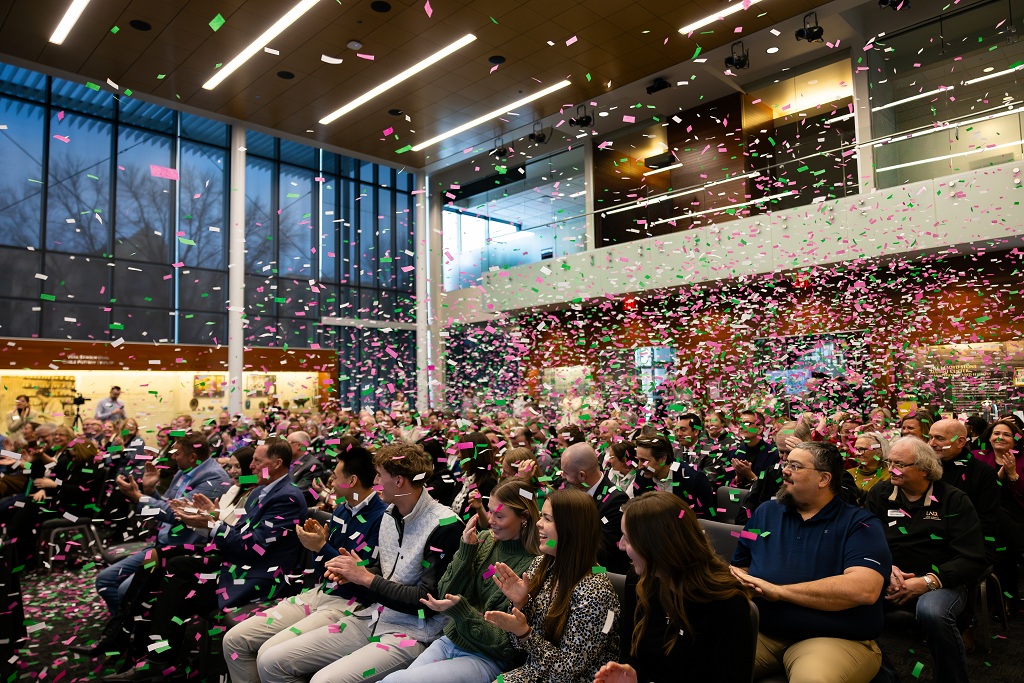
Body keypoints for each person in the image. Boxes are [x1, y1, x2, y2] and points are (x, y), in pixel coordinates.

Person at [101, 437, 308, 681]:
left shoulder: (287, 497)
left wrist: (212, 525)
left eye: (256, 460)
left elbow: (255, 548)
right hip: (235, 562)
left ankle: (153, 655)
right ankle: (147, 651)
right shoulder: (260, 491)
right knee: (169, 565)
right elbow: (240, 532)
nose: (249, 466)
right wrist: (214, 517)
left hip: (255, 576)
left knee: (173, 579)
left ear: (276, 463)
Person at [256, 441, 463, 683]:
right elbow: (388, 573)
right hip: (374, 617)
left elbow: (428, 602)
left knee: (324, 681)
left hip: (413, 633)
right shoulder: (390, 515)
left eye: (380, 476)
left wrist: (365, 577)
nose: (374, 483)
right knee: (271, 661)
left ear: (398, 481)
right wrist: (354, 571)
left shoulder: (445, 526)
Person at [222, 442, 387, 682]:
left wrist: (321, 547)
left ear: (351, 481)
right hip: (319, 591)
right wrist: (318, 548)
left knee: (269, 656)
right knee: (234, 640)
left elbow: (359, 576)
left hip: (348, 603)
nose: (330, 481)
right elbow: (324, 568)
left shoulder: (381, 518)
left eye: (335, 475)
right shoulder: (341, 511)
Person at [731, 441, 892, 682]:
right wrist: (739, 582)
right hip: (763, 630)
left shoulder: (860, 524)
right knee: (694, 663)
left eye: (795, 466)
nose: (784, 470)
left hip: (832, 638)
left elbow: (864, 589)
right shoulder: (765, 512)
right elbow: (739, 566)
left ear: (824, 479)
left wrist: (779, 592)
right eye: (786, 464)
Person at [380, 479, 540, 683]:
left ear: (524, 517)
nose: (490, 520)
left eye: (499, 515)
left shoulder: (534, 566)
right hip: (452, 640)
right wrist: (465, 550)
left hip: (488, 658)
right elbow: (445, 591)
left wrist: (462, 610)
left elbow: (506, 646)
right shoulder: (484, 540)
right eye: (489, 511)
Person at [594, 491, 754, 683]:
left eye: (628, 539)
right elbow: (631, 653)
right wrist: (632, 675)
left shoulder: (727, 604)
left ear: (656, 547)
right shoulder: (638, 581)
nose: (620, 545)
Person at [865, 437, 987, 683]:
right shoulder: (881, 492)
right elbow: (864, 540)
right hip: (888, 576)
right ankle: (886, 676)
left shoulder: (954, 500)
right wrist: (885, 568)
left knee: (932, 612)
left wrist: (927, 581)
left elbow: (972, 558)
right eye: (889, 462)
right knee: (851, 603)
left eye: (899, 464)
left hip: (942, 581)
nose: (890, 469)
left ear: (923, 469)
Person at [484, 487, 620, 683]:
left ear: (570, 528)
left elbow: (566, 671)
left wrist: (524, 632)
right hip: (534, 672)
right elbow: (518, 645)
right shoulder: (543, 564)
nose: (538, 524)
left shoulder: (595, 591)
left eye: (547, 519)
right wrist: (520, 604)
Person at [90, 434, 231, 616]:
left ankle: (128, 630)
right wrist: (150, 491)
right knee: (105, 580)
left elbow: (178, 515)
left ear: (192, 457)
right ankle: (125, 627)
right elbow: (169, 505)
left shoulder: (214, 478)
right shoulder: (184, 472)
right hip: (161, 544)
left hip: (181, 551)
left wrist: (139, 497)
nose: (172, 457)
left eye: (177, 453)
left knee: (125, 590)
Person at [928, 418, 1000, 560]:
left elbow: (986, 520)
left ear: (960, 442)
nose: (932, 443)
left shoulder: (983, 474)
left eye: (939, 438)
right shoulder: (924, 469)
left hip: (963, 547)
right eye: (930, 437)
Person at [560, 442, 630, 573]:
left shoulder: (616, 500)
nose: (562, 476)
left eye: (565, 473)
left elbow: (605, 550)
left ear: (582, 475)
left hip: (603, 571)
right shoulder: (572, 488)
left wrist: (564, 540)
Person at [633, 434, 713, 517]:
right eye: (638, 459)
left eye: (644, 461)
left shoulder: (694, 478)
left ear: (663, 459)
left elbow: (706, 517)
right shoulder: (642, 476)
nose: (639, 466)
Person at [847, 432, 890, 504]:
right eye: (856, 449)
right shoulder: (848, 473)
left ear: (879, 452)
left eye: (861, 449)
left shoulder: (888, 475)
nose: (857, 453)